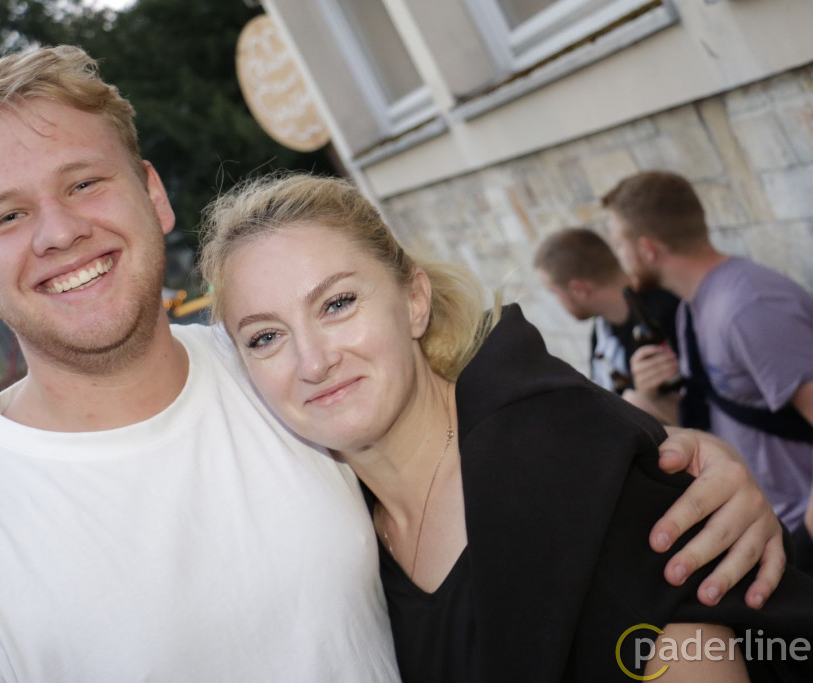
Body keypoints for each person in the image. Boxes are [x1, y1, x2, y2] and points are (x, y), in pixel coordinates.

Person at [0, 46, 788, 680]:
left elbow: (520, 467)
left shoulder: (280, 380)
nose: (60, 231)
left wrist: (676, 462)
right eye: (8, 215)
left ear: (153, 196)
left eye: (84, 181)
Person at [199, 172, 813, 681]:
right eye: (266, 337)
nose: (313, 361)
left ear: (414, 301)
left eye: (337, 304)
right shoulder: (335, 532)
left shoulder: (564, 454)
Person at [604, 171, 813, 566]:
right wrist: (649, 396)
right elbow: (728, 414)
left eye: (619, 243)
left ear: (647, 248)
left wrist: (803, 548)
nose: (619, 258)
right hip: (767, 529)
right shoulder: (694, 307)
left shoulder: (749, 307)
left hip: (799, 533)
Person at [533, 227, 680, 421]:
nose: (557, 303)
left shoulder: (667, 313)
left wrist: (645, 397)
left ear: (579, 289)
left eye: (554, 293)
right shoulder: (602, 329)